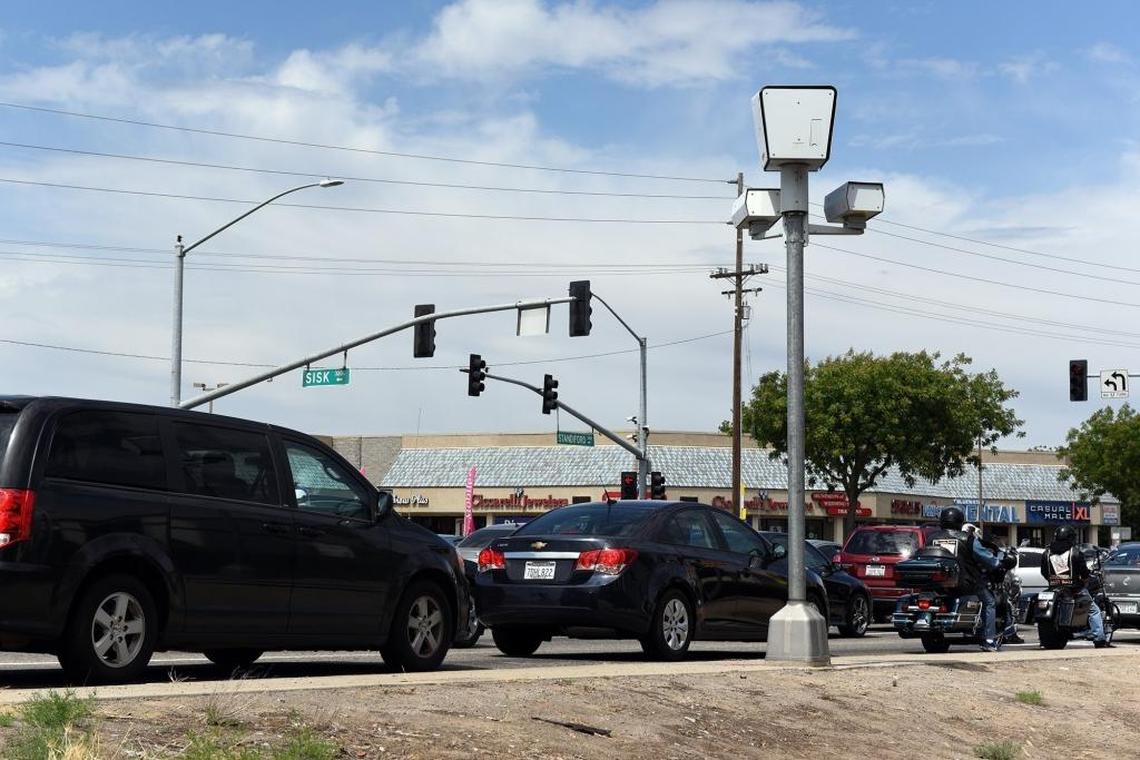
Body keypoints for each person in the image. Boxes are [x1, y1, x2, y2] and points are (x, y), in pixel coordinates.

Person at [932, 507, 1001, 651]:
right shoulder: (967, 539)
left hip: (938, 583)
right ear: (959, 521)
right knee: (989, 602)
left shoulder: (932, 538)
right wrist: (997, 562)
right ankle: (988, 640)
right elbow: (988, 559)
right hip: (965, 583)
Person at [1039, 525, 1111, 648]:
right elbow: (1084, 573)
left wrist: (1055, 581)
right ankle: (1099, 639)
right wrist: (1084, 581)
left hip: (1053, 588)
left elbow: (1044, 572)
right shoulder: (1075, 552)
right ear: (1071, 538)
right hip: (1073, 589)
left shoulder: (1047, 552)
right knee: (1093, 610)